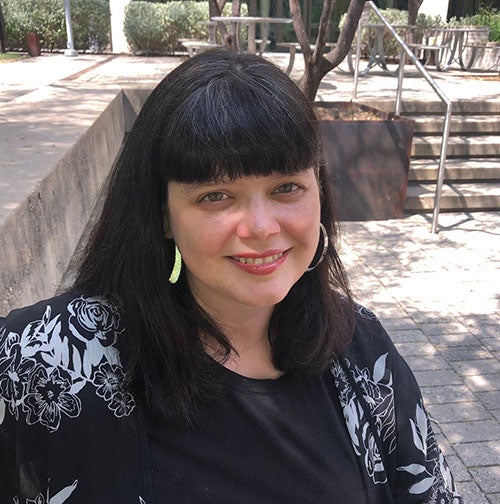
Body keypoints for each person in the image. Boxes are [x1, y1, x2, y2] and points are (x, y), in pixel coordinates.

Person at [0, 49, 462, 504]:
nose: (261, 228)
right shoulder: (42, 360)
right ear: (163, 216)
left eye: (286, 188)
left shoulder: (363, 352)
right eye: (216, 196)